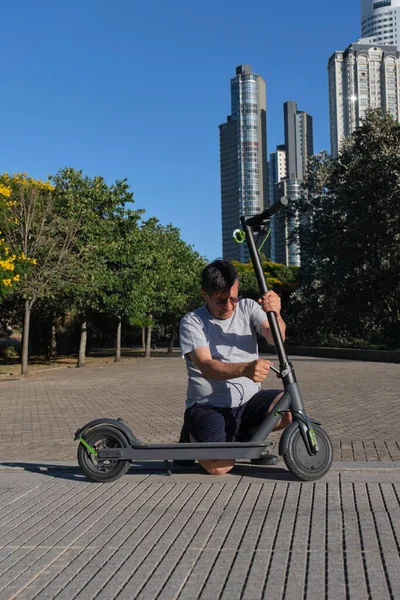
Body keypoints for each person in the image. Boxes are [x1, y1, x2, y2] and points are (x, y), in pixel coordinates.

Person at [178, 259, 292, 475]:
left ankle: (245, 440)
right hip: (208, 406)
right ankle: (190, 436)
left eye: (233, 297)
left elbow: (275, 337)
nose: (229, 306)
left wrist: (275, 313)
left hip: (249, 403)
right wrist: (246, 369)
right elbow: (207, 367)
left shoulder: (248, 306)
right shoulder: (192, 322)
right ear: (204, 294)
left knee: (289, 411)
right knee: (220, 467)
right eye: (221, 301)